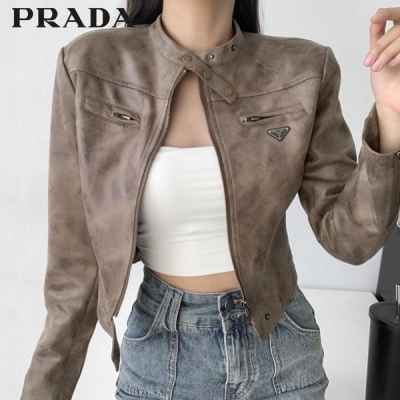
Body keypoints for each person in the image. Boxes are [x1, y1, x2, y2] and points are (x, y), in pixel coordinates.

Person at [20, 1, 400, 399]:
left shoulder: (302, 68)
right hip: (161, 358)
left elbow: (351, 240)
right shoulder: (90, 66)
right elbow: (74, 269)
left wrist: (391, 115)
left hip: (280, 353)